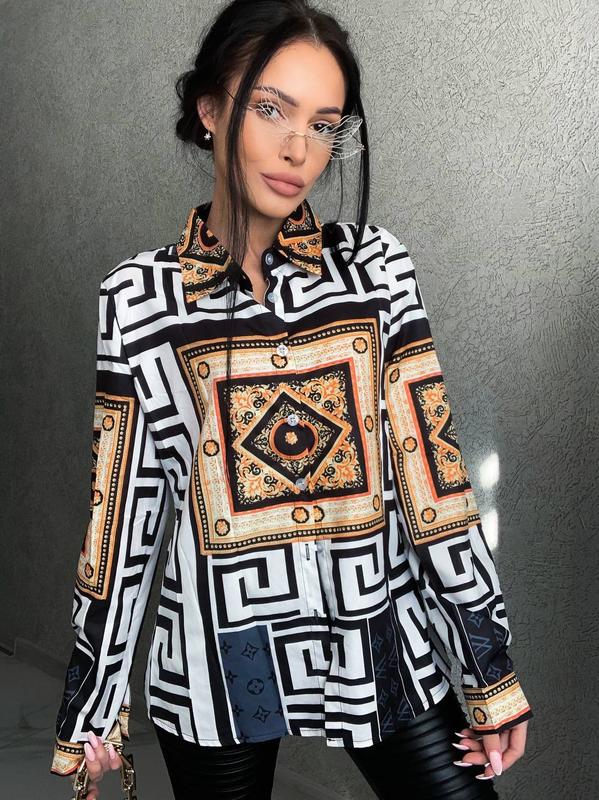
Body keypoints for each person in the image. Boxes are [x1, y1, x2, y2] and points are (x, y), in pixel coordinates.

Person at [50, 1, 533, 798]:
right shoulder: (139, 300)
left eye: (323, 124)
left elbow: (435, 484)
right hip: (214, 658)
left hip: (379, 636)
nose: (298, 149)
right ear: (210, 110)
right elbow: (123, 519)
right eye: (270, 109)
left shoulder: (376, 270)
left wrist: (489, 669)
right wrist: (93, 702)